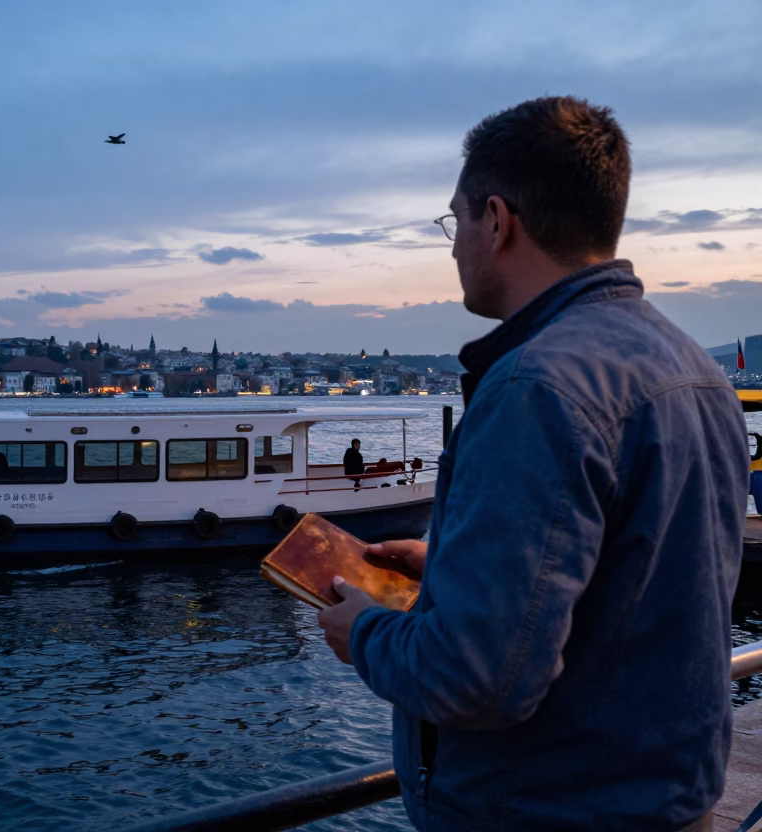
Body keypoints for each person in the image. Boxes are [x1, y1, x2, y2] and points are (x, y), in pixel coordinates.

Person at [317, 97, 747, 831]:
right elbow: (640, 580)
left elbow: (479, 682)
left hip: (545, 810)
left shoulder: (535, 388)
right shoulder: (695, 369)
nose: (454, 247)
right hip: (670, 802)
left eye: (454, 223)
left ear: (497, 219)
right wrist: (455, 562)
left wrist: (363, 631)